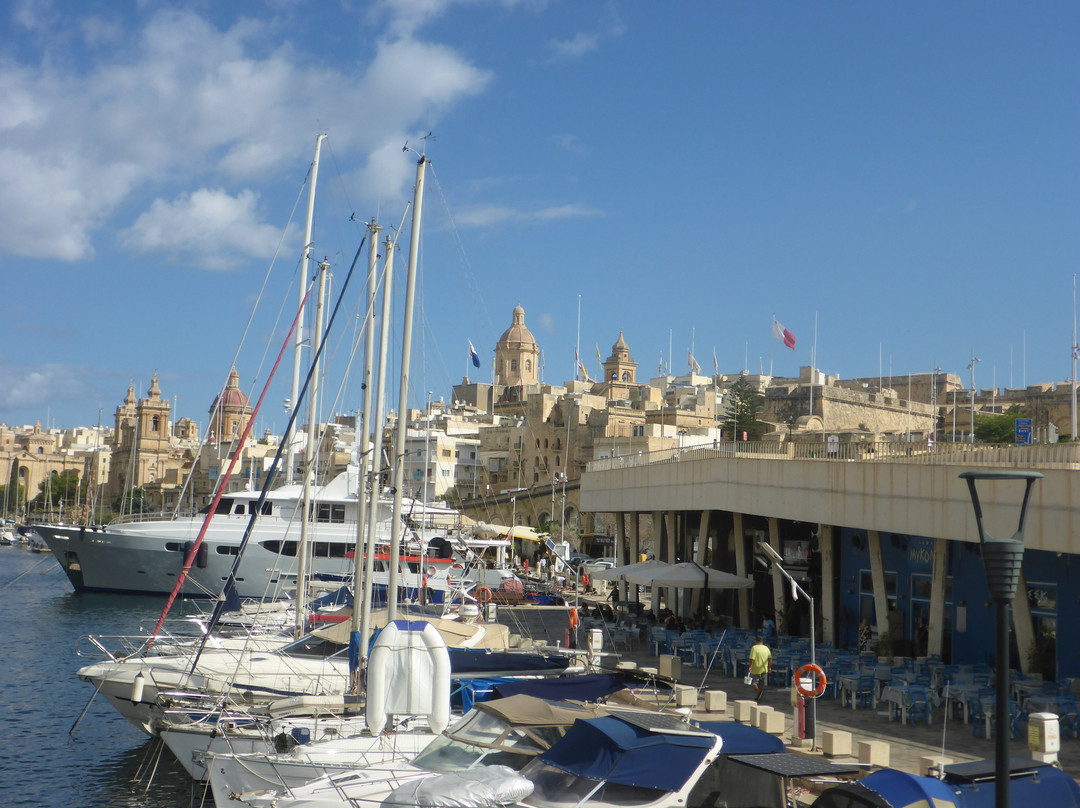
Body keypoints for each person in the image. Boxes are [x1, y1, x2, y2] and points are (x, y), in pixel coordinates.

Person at [748, 634, 772, 703]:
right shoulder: (766, 648)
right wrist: (769, 668)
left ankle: (760, 693)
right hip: (764, 669)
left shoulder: (754, 648)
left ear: (756, 641)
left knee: (754, 683)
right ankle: (759, 696)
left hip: (756, 668)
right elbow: (770, 659)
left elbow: (752, 659)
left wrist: (750, 667)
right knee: (761, 684)